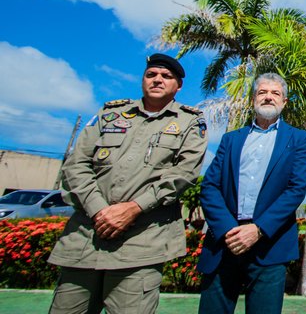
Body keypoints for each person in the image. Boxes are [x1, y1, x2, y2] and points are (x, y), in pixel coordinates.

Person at [48, 53, 208, 314]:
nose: (157, 80)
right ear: (143, 79)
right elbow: (76, 165)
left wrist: (133, 208)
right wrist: (99, 210)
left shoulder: (190, 121)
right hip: (85, 238)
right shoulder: (109, 114)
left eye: (166, 77)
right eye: (151, 75)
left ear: (178, 86)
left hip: (141, 243)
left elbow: (183, 174)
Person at [197, 73, 306, 314]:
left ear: (285, 102)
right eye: (262, 92)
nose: (268, 97)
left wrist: (257, 229)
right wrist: (228, 229)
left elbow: (295, 189)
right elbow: (209, 186)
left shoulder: (298, 139)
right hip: (224, 243)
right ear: (252, 100)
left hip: (269, 245)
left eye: (275, 93)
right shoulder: (230, 140)